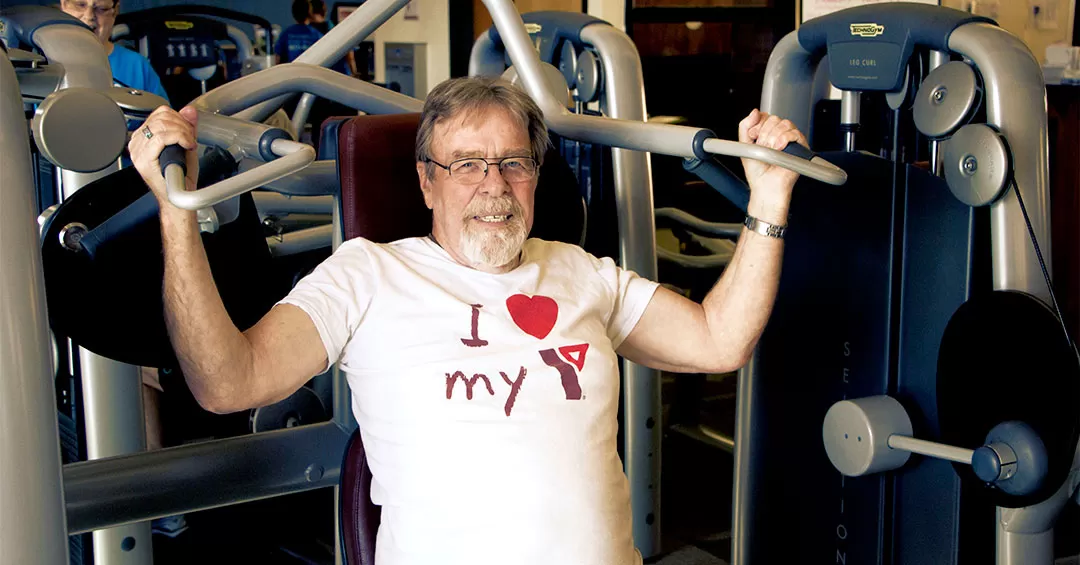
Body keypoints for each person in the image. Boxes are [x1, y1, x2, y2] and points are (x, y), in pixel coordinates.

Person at [129, 76, 805, 565]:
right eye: (467, 165)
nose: (493, 185)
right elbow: (228, 382)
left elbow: (721, 339)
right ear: (427, 181)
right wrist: (175, 212)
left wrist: (769, 198)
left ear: (535, 177)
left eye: (513, 163)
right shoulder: (367, 274)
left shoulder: (583, 273)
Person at [59, 0, 170, 105]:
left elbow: (164, 118)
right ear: (63, 4)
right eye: (80, 4)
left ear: (115, 11)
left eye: (101, 9)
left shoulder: (136, 65)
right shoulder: (44, 60)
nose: (89, 16)